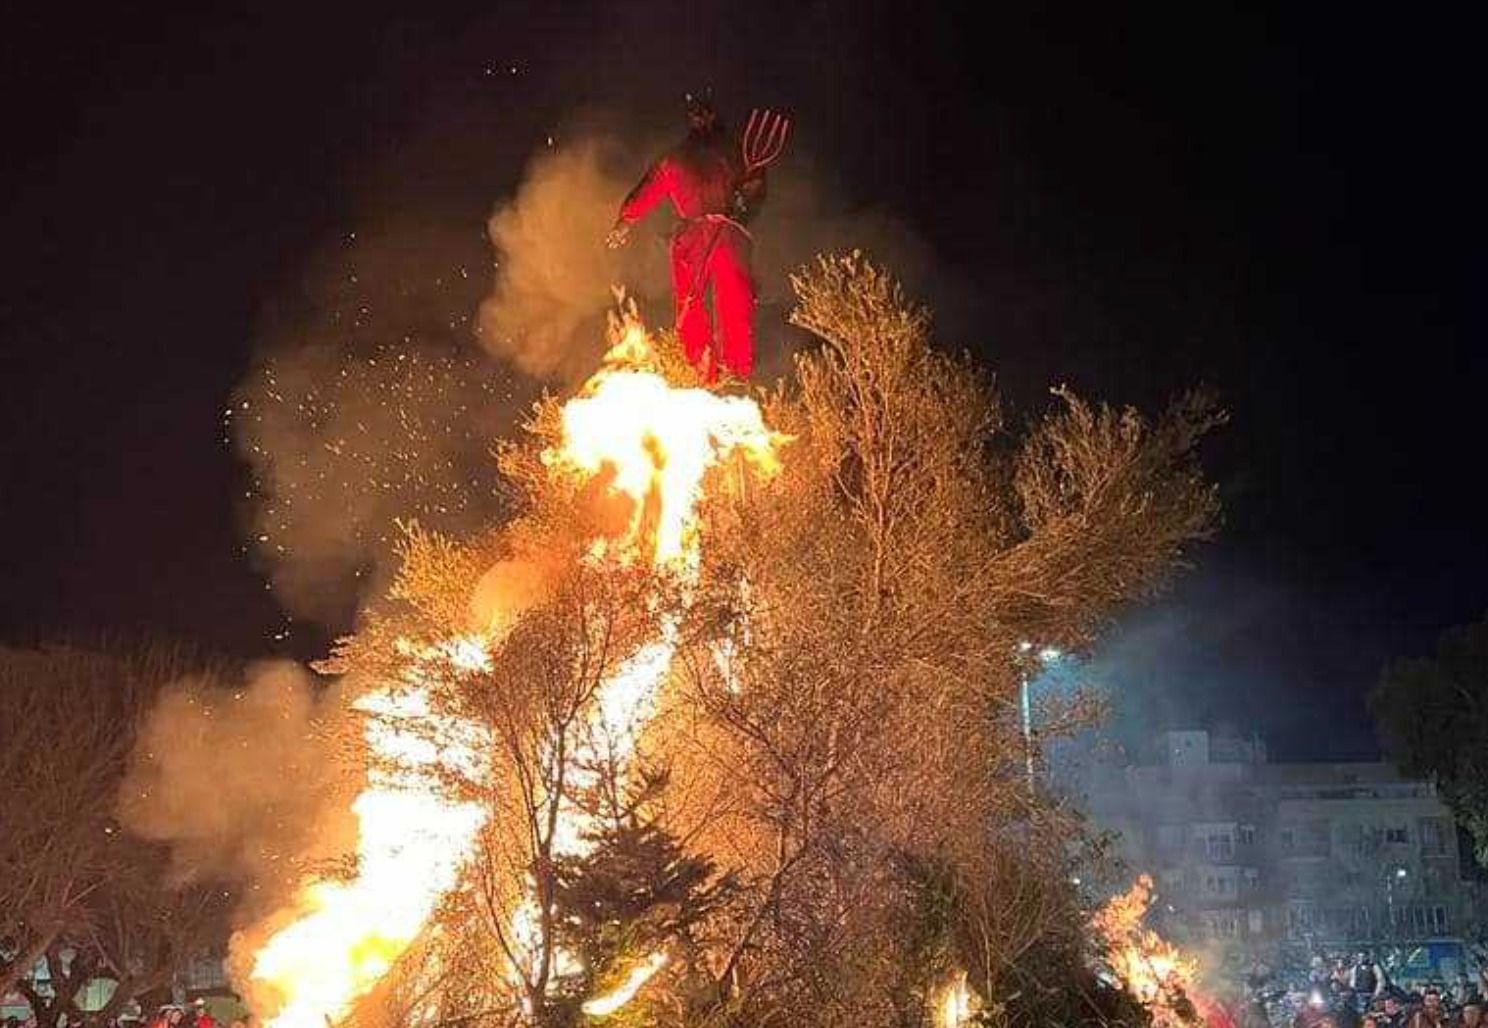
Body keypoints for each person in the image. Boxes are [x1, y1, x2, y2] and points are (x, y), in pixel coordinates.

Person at [607, 92, 771, 384]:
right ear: (691, 120)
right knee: (690, 304)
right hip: (693, 235)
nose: (700, 119)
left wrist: (747, 198)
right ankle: (703, 371)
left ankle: (735, 374)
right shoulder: (678, 158)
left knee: (734, 301)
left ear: (715, 117)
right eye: (696, 114)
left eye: (705, 113)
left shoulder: (737, 154)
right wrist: (626, 219)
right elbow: (652, 186)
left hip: (729, 231)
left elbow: (756, 188)